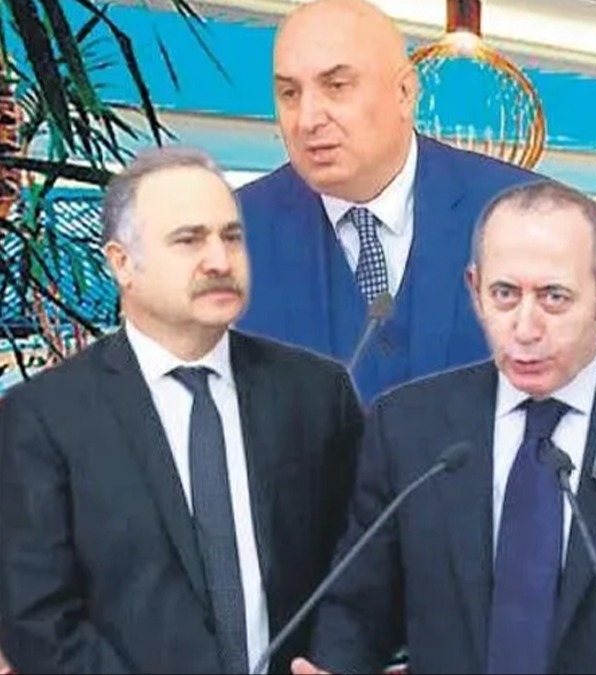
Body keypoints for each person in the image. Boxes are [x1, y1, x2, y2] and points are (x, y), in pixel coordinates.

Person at [290, 181, 596, 675]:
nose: (525, 329)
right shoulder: (408, 426)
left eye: (554, 297)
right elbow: (358, 607)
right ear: (475, 290)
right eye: (504, 294)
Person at [0, 147, 363, 673]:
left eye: (231, 237)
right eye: (189, 240)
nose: (220, 261)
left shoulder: (316, 394)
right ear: (121, 263)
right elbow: (37, 618)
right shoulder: (42, 418)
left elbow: (358, 569)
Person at [235, 0, 596, 403]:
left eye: (336, 86)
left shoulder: (543, 221)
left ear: (405, 92)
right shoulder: (233, 230)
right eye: (289, 93)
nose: (307, 119)